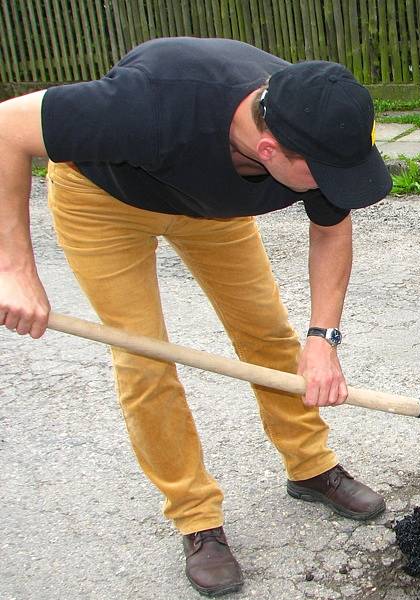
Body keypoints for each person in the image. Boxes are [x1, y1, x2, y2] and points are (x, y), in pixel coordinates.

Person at [0, 37, 392, 596]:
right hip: (106, 203)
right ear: (268, 150)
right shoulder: (147, 104)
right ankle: (196, 519)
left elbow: (331, 226)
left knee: (269, 335)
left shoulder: (317, 116)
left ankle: (311, 466)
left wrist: (323, 337)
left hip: (211, 210)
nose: (335, 188)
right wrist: (14, 268)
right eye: (324, 175)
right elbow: (7, 127)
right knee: (144, 361)